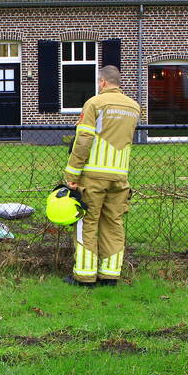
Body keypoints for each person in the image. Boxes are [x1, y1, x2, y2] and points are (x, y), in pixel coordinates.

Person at [62, 65, 141, 287]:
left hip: (93, 175)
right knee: (113, 224)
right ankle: (110, 276)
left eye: (99, 82)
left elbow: (84, 140)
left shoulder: (94, 103)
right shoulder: (134, 107)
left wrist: (72, 173)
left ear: (103, 82)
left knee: (86, 223)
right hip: (120, 176)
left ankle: (84, 277)